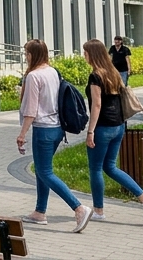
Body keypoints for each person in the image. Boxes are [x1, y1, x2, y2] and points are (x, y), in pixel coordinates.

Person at [16, 39, 92, 232]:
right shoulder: (52, 72)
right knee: (43, 170)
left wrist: (22, 133)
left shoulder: (33, 76)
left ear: (32, 55)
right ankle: (40, 212)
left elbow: (31, 111)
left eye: (26, 54)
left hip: (43, 130)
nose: (26, 57)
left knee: (44, 172)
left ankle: (79, 208)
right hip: (58, 129)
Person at [81, 39, 143, 224]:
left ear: (93, 54)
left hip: (103, 128)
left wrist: (90, 131)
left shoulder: (95, 76)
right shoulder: (114, 72)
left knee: (96, 169)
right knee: (111, 167)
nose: (83, 55)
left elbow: (97, 105)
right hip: (119, 126)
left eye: (85, 52)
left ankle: (98, 211)